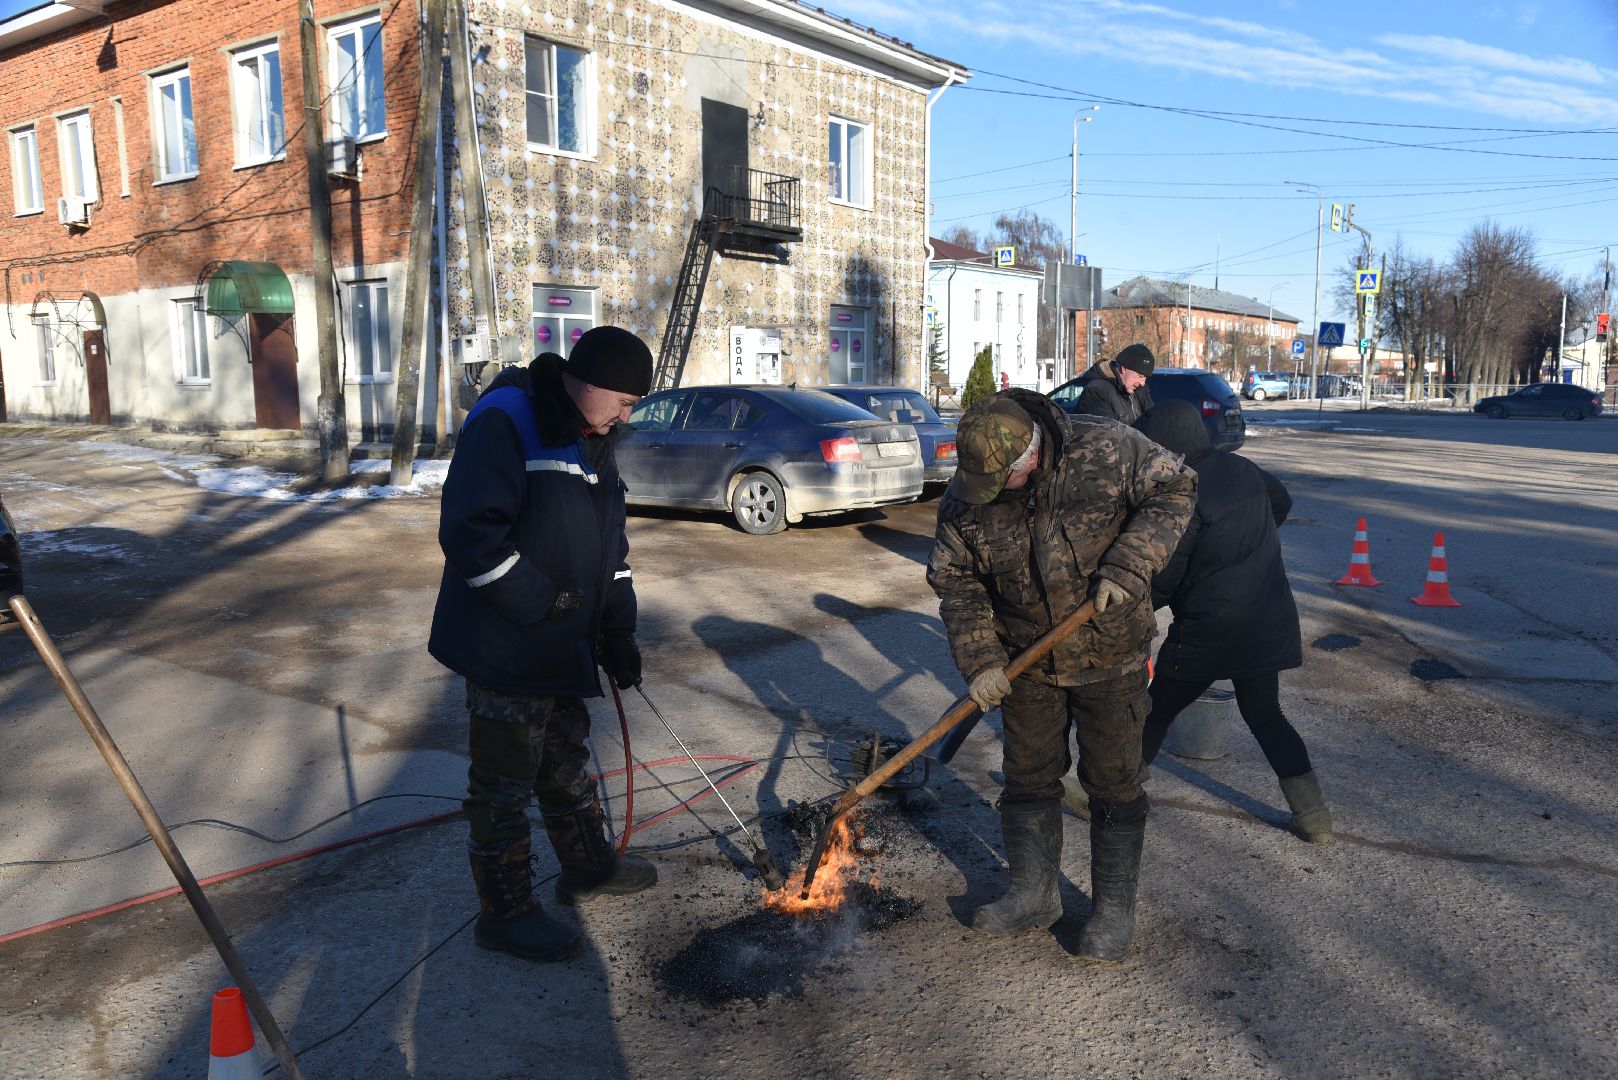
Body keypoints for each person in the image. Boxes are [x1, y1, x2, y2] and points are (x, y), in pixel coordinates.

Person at [927, 391, 1196, 962]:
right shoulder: (966, 495)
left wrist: (1128, 564)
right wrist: (980, 663)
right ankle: (1033, 895)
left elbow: (1176, 487)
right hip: (1026, 662)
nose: (990, 491)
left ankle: (1112, 912)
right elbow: (957, 584)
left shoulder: (1109, 447)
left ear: (1029, 452)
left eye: (1004, 477)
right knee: (1027, 778)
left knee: (1114, 783)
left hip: (1111, 654)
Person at [428, 326, 659, 964]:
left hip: (564, 643)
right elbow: (471, 534)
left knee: (563, 758)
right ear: (587, 383)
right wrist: (538, 601)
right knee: (503, 782)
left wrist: (617, 628)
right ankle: (504, 914)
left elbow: (611, 550)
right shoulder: (507, 418)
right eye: (623, 401)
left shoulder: (595, 440)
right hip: (504, 642)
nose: (624, 415)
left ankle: (587, 869)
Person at [1133, 400, 1331, 843]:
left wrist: (1135, 608)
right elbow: (1280, 501)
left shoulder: (1183, 492)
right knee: (1266, 714)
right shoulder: (1241, 468)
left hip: (1212, 626)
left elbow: (1166, 576)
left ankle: (1102, 795)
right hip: (1265, 614)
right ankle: (1314, 818)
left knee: (1156, 710)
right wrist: (1246, 540)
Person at [1074, 343, 1157, 424]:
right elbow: (1103, 434)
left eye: (1145, 377)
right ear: (1123, 369)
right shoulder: (1097, 391)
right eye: (1140, 376)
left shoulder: (1138, 391)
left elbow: (1153, 422)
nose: (1142, 383)